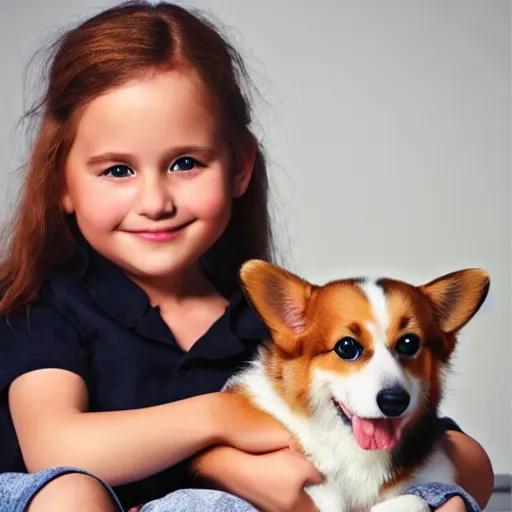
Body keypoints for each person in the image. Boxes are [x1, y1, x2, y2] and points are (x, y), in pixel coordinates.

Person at [0, 2, 493, 511]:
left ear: (239, 168)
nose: (155, 203)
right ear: (61, 183)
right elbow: (55, 448)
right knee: (70, 493)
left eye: (185, 163)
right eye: (117, 171)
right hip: (53, 499)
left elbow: (456, 458)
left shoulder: (272, 323)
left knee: (440, 497)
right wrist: (221, 421)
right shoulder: (44, 308)